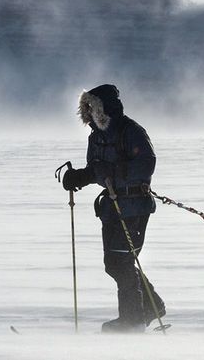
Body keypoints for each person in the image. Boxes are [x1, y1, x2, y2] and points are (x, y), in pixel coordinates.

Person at [61, 84, 167, 333]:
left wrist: (115, 173)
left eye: (93, 106)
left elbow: (146, 163)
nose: (89, 112)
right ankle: (151, 307)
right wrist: (78, 177)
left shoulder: (130, 131)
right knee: (116, 262)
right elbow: (96, 169)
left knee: (121, 261)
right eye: (86, 107)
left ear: (104, 107)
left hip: (133, 205)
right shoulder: (96, 136)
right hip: (112, 206)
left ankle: (133, 319)